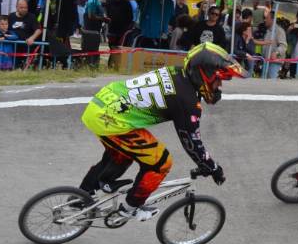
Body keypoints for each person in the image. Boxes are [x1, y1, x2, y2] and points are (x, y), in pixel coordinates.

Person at [79, 43, 246, 220]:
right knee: (161, 162)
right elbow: (192, 143)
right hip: (111, 119)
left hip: (101, 105)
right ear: (205, 74)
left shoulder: (176, 72)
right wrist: (212, 167)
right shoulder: (186, 101)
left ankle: (81, 197)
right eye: (218, 80)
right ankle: (130, 208)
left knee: (121, 154)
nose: (219, 86)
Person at [8, 0, 41, 69]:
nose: (24, 9)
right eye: (21, 7)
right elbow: (5, 29)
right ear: (16, 7)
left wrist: (32, 38)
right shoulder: (11, 16)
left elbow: (38, 30)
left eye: (26, 7)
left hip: (26, 49)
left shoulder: (31, 17)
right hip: (12, 49)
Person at [254, 10, 287, 79]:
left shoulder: (279, 31)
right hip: (266, 61)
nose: (265, 20)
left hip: (274, 63)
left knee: (271, 82)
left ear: (272, 20)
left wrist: (276, 52)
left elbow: (283, 46)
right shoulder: (267, 30)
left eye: (267, 18)